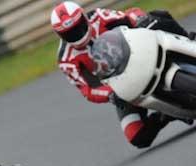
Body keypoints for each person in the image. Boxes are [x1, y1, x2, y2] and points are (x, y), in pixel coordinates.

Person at [51, 2, 195, 148]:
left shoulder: (98, 16)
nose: (77, 34)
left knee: (159, 16)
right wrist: (110, 95)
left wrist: (140, 19)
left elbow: (129, 14)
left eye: (79, 26)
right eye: (70, 33)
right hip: (121, 85)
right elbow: (87, 89)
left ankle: (190, 40)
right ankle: (167, 114)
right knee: (137, 136)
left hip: (139, 52)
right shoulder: (66, 59)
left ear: (83, 17)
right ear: (61, 35)